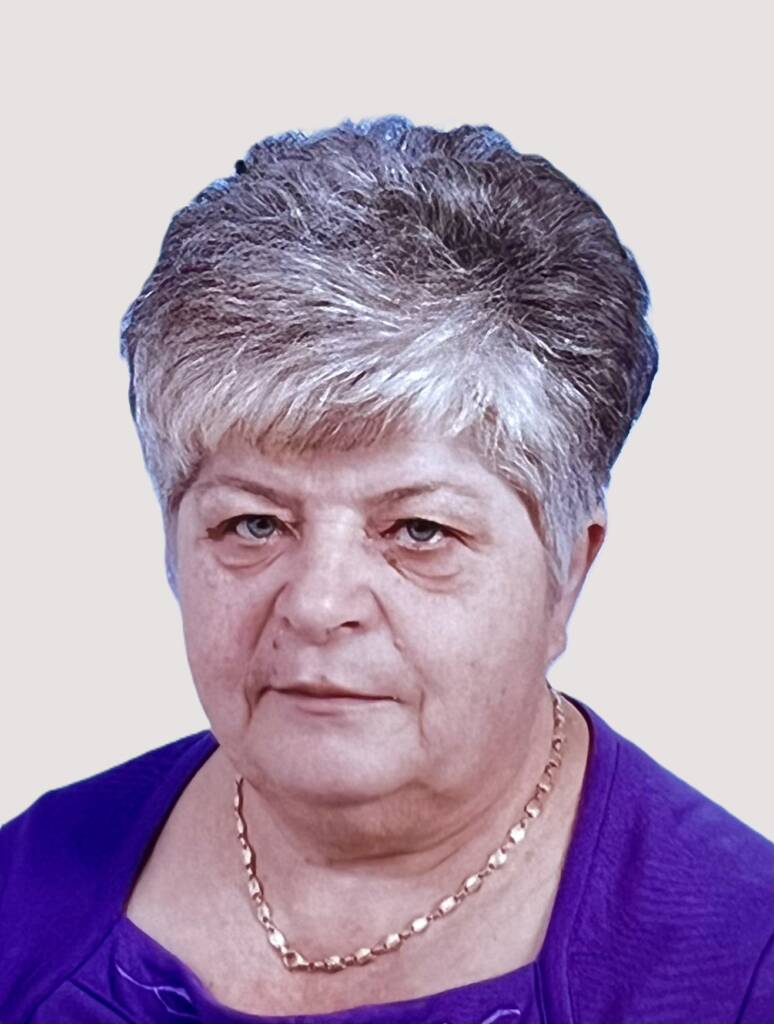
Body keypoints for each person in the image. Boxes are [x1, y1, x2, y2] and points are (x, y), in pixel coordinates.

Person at [0, 116, 771, 1024]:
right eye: (253, 523)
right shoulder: (26, 890)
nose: (319, 603)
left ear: (567, 572)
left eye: (418, 530)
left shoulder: (739, 968)